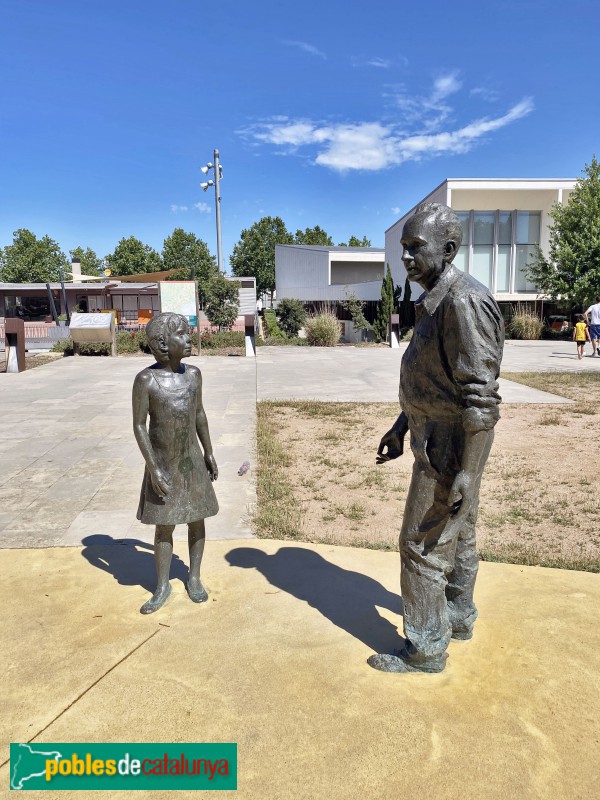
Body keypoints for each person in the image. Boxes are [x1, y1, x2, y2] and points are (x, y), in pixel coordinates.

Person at [370, 202, 504, 674]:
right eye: (403, 248)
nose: (405, 257)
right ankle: (457, 616)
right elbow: (434, 380)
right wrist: (402, 424)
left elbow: (480, 397)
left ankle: (426, 648)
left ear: (448, 250)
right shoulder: (434, 298)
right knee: (458, 533)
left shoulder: (462, 302)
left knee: (421, 544)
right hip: (436, 434)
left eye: (415, 247)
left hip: (450, 443)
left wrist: (469, 469)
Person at [132, 312, 219, 614]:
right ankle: (162, 584)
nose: (188, 338)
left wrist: (209, 452)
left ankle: (194, 577)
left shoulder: (193, 375)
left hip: (191, 461)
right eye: (181, 334)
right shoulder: (146, 380)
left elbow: (199, 414)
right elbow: (139, 426)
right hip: (164, 463)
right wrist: (153, 467)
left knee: (197, 518)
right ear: (162, 343)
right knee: (164, 525)